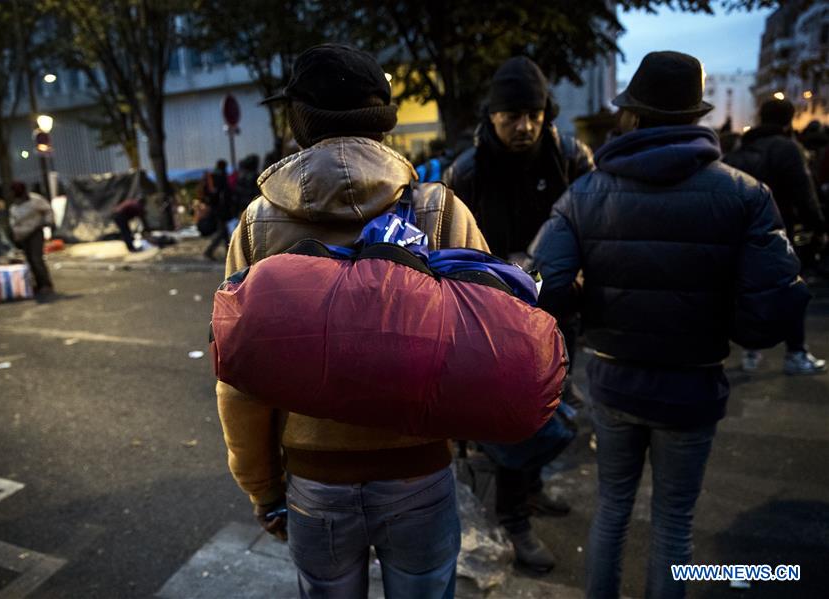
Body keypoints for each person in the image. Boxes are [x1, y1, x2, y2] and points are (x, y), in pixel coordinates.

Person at [530, 51, 810, 599]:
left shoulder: (585, 193)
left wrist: (588, 304)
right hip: (693, 381)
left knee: (612, 508)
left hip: (612, 377)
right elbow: (771, 307)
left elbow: (543, 283)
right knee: (674, 523)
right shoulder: (744, 194)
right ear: (694, 117)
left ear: (631, 114)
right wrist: (723, 318)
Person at [217, 43, 488, 599]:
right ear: (383, 119)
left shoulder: (257, 225)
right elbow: (482, 342)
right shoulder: (440, 209)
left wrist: (262, 488)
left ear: (300, 121)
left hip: (317, 483)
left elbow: (238, 379)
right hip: (420, 472)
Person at [443, 55, 594, 573]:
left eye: (534, 113)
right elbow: (447, 247)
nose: (524, 125)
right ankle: (514, 518)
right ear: (492, 116)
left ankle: (531, 489)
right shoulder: (467, 171)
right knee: (515, 419)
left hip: (560, 310)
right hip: (498, 319)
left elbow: (593, 226)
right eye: (512, 115)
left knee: (555, 410)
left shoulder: (572, 157)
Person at [724, 99, 827, 374]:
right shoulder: (787, 149)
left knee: (746, 290)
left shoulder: (740, 150)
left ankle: (750, 352)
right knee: (789, 288)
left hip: (739, 234)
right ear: (788, 120)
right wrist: (818, 226)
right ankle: (795, 353)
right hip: (781, 232)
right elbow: (804, 194)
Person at [8, 181, 54, 295]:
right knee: (29, 260)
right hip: (23, 235)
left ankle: (46, 284)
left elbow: (48, 210)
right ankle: (37, 284)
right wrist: (16, 235)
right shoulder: (15, 205)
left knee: (36, 259)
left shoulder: (35, 200)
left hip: (35, 232)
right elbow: (14, 221)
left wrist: (47, 222)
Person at [202, 159, 237, 261]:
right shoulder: (221, 177)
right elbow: (226, 194)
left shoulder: (213, 176)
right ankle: (210, 251)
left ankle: (228, 254)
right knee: (223, 232)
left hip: (217, 208)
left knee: (224, 232)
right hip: (222, 209)